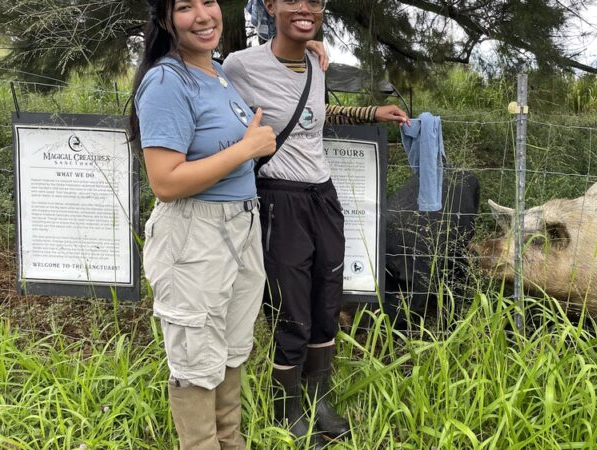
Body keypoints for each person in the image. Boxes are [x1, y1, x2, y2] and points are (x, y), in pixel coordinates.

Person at [128, 0, 323, 447]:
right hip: (195, 235)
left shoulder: (217, 73)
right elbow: (165, 181)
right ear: (164, 19)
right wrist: (247, 148)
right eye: (184, 7)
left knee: (231, 350)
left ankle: (229, 440)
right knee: (196, 360)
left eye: (209, 2)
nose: (203, 15)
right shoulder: (166, 81)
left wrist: (311, 44)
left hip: (239, 228)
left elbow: (273, 59)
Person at [222, 0, 410, 447]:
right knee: (291, 309)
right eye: (293, 0)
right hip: (278, 198)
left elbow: (316, 116)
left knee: (327, 301)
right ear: (270, 5)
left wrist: (371, 113)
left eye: (315, 1)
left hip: (323, 196)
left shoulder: (315, 60)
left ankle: (319, 402)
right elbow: (219, 114)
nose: (306, 8)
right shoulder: (240, 66)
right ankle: (286, 410)